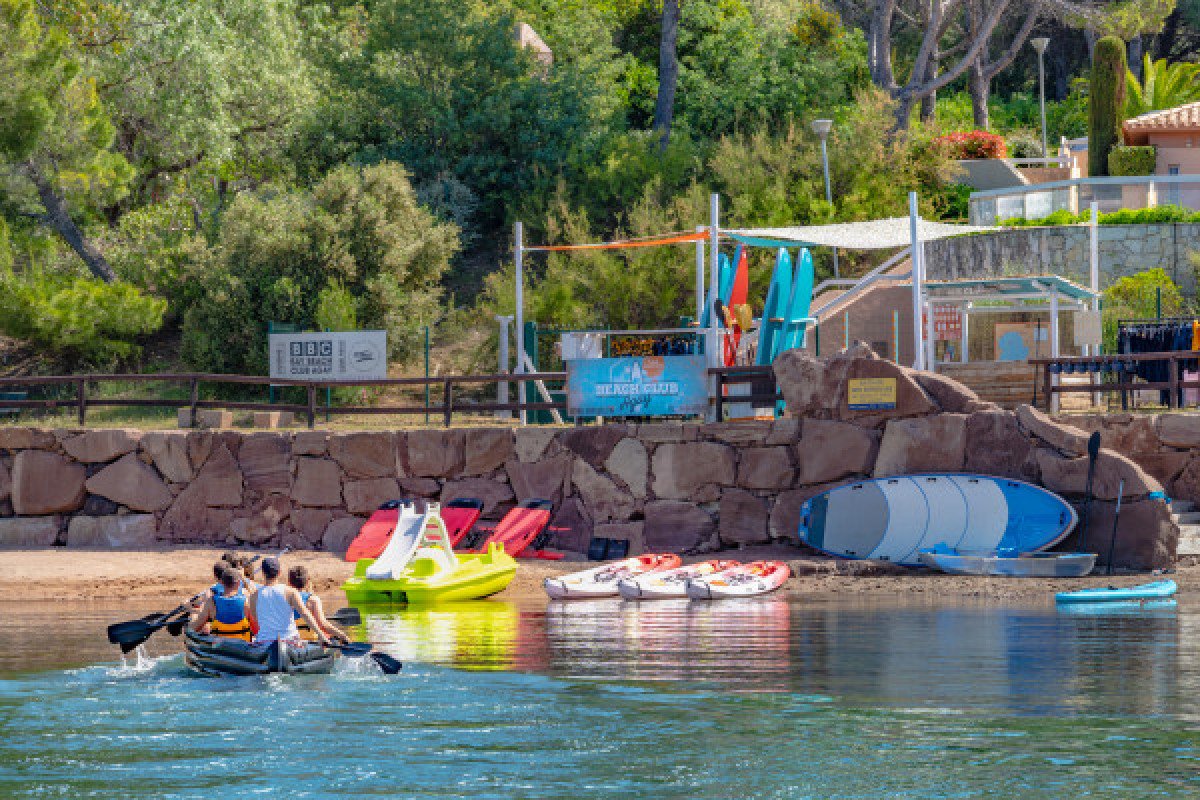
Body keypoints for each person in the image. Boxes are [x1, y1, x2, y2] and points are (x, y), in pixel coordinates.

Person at [247, 557, 331, 647]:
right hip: (290, 641)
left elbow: (256, 620)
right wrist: (321, 635)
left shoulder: (253, 597)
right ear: (279, 573)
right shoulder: (290, 592)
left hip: (264, 642)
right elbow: (306, 614)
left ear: (263, 573)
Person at [190, 566, 254, 640]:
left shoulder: (211, 602)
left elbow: (194, 628)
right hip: (242, 645)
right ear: (239, 583)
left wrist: (192, 614)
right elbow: (256, 628)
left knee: (198, 619)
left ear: (221, 583)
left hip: (220, 646)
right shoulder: (247, 601)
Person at [286, 565, 347, 643]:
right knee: (330, 636)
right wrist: (342, 635)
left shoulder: (284, 598)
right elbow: (323, 624)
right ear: (307, 581)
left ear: (289, 582)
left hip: (290, 640)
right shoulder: (313, 600)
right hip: (311, 641)